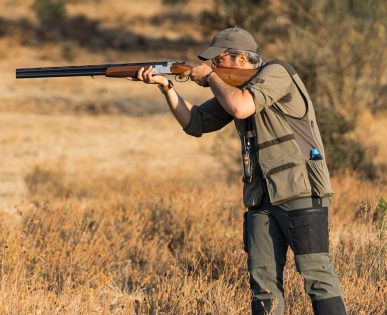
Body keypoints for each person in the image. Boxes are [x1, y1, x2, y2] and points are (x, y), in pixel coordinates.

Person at [129, 27, 348, 315]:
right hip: (261, 198)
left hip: (300, 191)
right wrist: (166, 87)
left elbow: (242, 107)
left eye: (218, 61)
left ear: (241, 57)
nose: (213, 66)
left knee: (317, 277)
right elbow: (195, 123)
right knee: (263, 286)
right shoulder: (232, 89)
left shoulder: (278, 72)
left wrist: (210, 78)